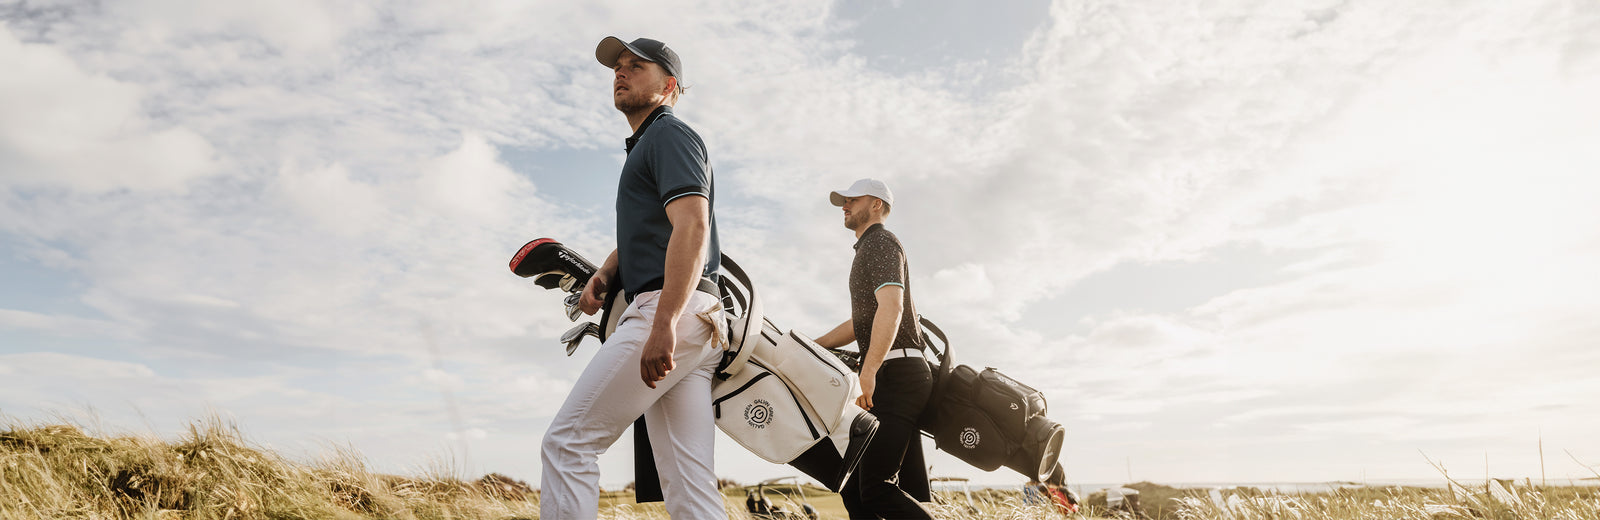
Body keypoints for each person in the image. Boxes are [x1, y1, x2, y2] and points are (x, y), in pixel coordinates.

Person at [540, 36, 726, 520]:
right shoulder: (649, 144)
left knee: (567, 445)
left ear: (669, 86)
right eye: (617, 67)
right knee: (688, 480)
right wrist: (608, 268)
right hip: (699, 318)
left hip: (670, 310)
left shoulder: (668, 134)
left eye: (636, 67)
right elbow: (661, 224)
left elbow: (692, 225)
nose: (620, 73)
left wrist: (664, 322)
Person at [814, 178, 935, 519]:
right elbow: (862, 322)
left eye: (853, 199)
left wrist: (868, 371)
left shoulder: (880, 242)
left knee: (877, 489)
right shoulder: (868, 248)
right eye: (844, 200)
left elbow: (892, 308)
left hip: (898, 373)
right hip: (892, 371)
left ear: (877, 205)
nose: (845, 205)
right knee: (855, 491)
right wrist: (813, 344)